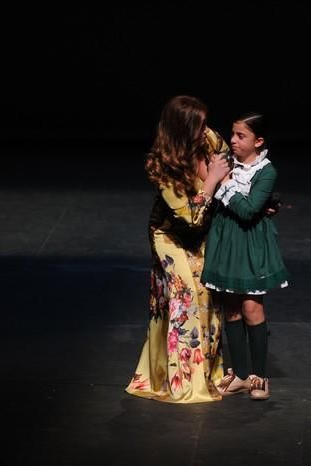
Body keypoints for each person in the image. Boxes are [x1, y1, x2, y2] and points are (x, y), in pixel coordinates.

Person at [124, 95, 232, 403]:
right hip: (170, 235)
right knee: (184, 296)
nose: (207, 130)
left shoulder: (209, 139)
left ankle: (208, 372)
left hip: (202, 230)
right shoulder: (166, 167)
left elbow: (230, 163)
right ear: (183, 131)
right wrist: (210, 181)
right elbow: (189, 218)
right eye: (199, 126)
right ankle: (180, 380)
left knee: (207, 292)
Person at [201, 112, 289, 401]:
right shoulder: (225, 162)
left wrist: (224, 185)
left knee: (252, 307)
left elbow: (248, 210)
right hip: (226, 240)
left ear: (258, 141)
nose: (234, 140)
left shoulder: (266, 170)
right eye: (233, 134)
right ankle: (239, 373)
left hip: (250, 243)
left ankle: (259, 377)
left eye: (241, 136)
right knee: (232, 308)